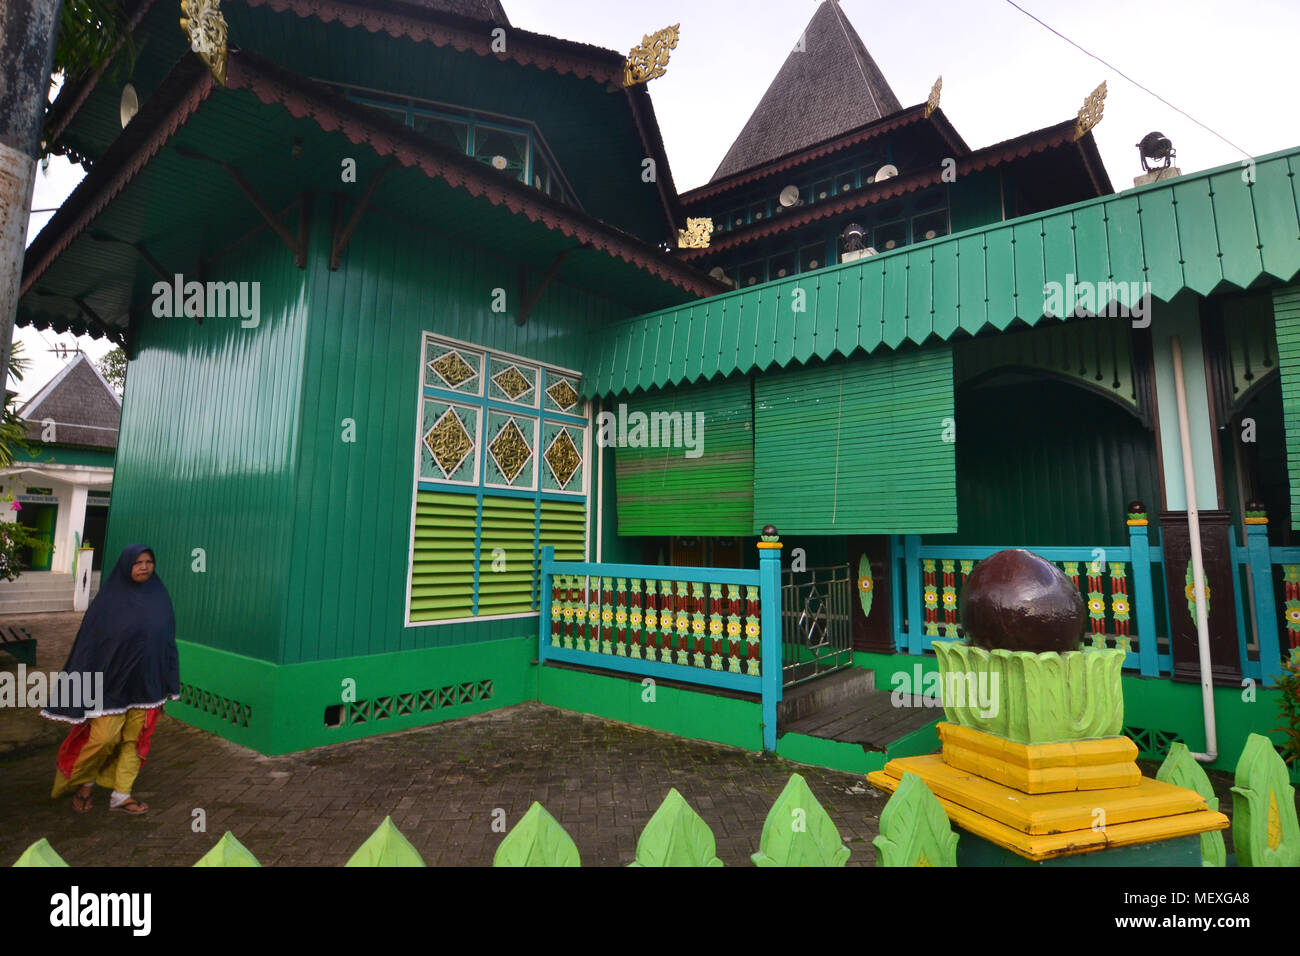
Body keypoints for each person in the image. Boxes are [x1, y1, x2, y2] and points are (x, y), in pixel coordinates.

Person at [40, 544, 179, 815]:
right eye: (138, 562)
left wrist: (169, 679)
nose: (144, 567)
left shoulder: (160, 596)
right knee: (104, 739)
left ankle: (121, 795)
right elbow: (89, 647)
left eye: (149, 561)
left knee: (135, 741)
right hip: (109, 687)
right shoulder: (108, 600)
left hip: (147, 685)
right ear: (126, 565)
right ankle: (85, 784)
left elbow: (167, 642)